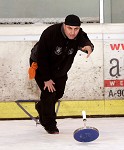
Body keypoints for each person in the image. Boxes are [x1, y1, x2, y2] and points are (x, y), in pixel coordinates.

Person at [29, 14, 94, 134]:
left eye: (76, 29)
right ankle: (49, 124)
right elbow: (42, 57)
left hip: (60, 67)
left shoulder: (78, 34)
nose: (73, 32)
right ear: (64, 26)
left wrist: (89, 46)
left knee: (58, 93)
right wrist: (46, 79)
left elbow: (84, 40)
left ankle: (41, 107)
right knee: (49, 93)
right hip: (40, 64)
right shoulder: (50, 33)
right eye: (69, 28)